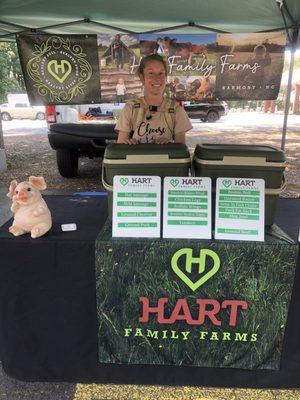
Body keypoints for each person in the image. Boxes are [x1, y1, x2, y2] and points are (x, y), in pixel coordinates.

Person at [116, 54, 192, 144]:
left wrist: (170, 145)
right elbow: (120, 147)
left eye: (161, 73)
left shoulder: (176, 110)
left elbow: (181, 149)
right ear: (142, 78)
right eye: (151, 73)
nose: (157, 79)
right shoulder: (130, 108)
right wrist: (129, 144)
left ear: (166, 77)